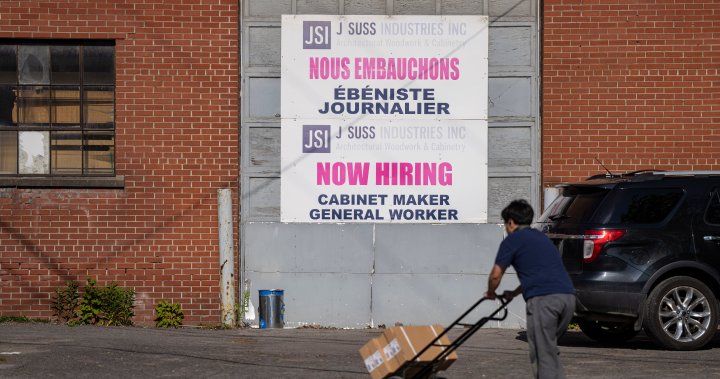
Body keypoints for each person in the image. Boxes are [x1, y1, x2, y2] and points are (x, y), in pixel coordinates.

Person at [485, 199, 576, 379]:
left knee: (543, 355)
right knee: (549, 351)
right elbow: (541, 274)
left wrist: (490, 292)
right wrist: (515, 293)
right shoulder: (541, 238)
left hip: (544, 302)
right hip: (568, 299)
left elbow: (496, 275)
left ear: (510, 222)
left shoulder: (512, 240)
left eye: (506, 224)